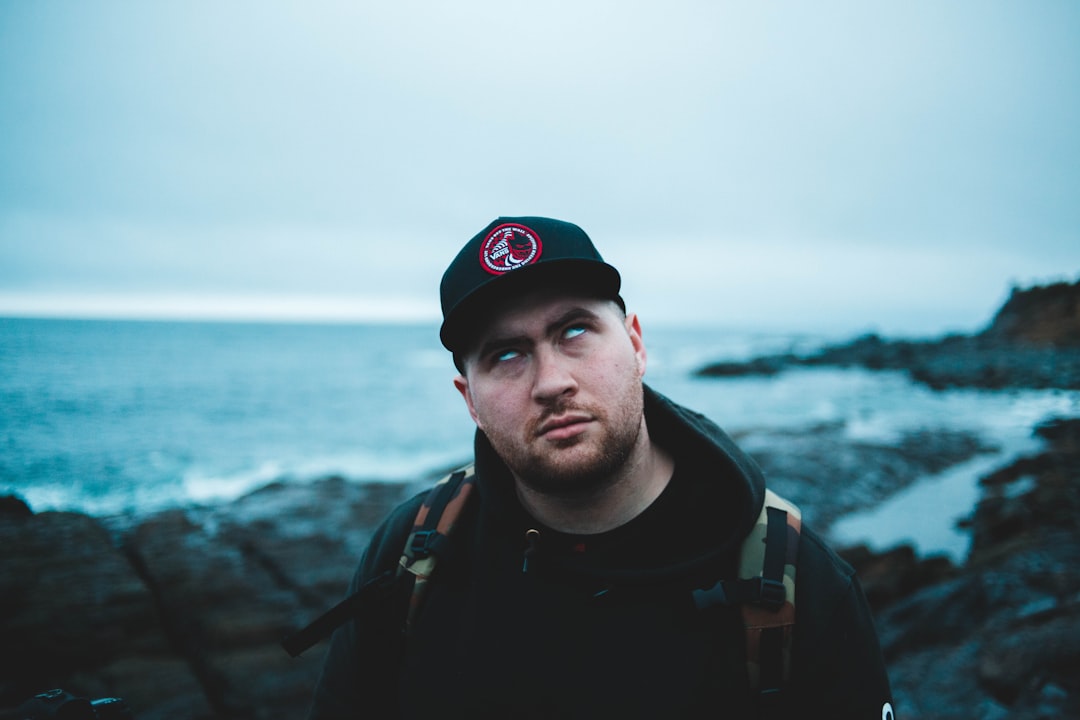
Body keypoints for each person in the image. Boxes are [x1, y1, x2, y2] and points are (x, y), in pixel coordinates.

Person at [305, 217, 895, 719]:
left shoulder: (795, 584)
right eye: (506, 355)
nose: (552, 382)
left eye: (576, 331)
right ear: (469, 400)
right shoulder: (414, 551)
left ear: (636, 344)